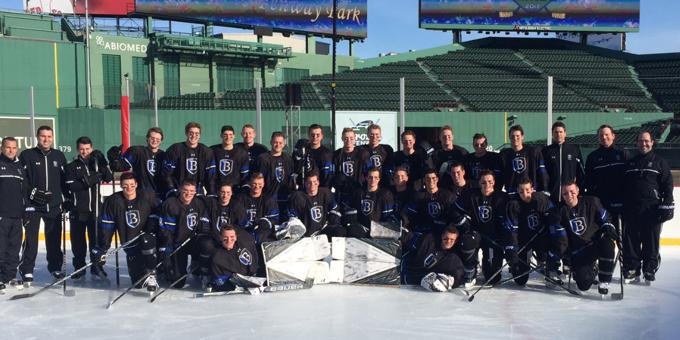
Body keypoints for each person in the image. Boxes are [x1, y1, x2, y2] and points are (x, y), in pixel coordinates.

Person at [622, 131, 674, 284]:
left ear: (652, 142)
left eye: (646, 141)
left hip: (652, 210)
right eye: (640, 141)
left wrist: (667, 205)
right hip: (632, 209)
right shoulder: (631, 163)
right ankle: (633, 269)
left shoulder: (660, 162)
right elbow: (623, 187)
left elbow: (667, 186)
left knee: (650, 241)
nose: (643, 144)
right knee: (631, 241)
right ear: (636, 143)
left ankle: (649, 269)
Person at [18, 126, 68, 284]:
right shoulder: (27, 155)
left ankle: (55, 267)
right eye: (43, 136)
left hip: (53, 205)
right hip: (33, 206)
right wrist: (32, 193)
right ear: (37, 137)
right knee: (31, 240)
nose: (46, 139)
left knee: (54, 239)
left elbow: (64, 180)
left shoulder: (59, 156)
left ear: (53, 138)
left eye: (49, 136)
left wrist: (66, 199)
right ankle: (27, 270)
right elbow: (22, 179)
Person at [94, 173, 159, 290]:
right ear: (121, 186)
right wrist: (103, 248)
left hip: (147, 241)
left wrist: (151, 227)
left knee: (146, 241)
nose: (129, 188)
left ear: (136, 185)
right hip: (130, 245)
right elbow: (107, 227)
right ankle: (143, 273)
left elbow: (158, 213)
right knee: (137, 284)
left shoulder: (146, 196)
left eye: (132, 185)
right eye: (125, 186)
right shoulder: (113, 201)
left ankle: (152, 274)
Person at [554, 181, 617, 294]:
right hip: (578, 253)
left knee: (608, 243)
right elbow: (561, 240)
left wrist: (608, 227)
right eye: (565, 193)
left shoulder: (592, 202)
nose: (569, 196)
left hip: (594, 245)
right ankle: (593, 269)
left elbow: (606, 218)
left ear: (578, 190)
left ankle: (604, 282)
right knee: (583, 286)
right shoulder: (560, 212)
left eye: (572, 192)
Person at [64, 136, 113, 279]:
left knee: (96, 241)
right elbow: (71, 186)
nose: (85, 152)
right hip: (78, 210)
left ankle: (96, 267)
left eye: (87, 149)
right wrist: (89, 180)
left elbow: (109, 178)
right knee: (78, 242)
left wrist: (103, 163)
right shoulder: (71, 166)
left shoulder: (96, 164)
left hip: (95, 210)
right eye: (82, 149)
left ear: (91, 148)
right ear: (77, 150)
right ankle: (79, 267)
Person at [452, 170, 509, 286]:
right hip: (476, 234)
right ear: (479, 183)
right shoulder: (471, 194)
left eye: (490, 182)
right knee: (467, 241)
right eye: (483, 182)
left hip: (493, 238)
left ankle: (488, 268)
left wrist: (504, 239)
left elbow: (509, 219)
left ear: (494, 182)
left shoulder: (502, 197)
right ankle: (470, 269)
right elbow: (455, 210)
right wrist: (463, 223)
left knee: (492, 279)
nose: (487, 185)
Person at [505, 178, 559, 286]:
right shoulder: (513, 205)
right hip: (523, 241)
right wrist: (513, 250)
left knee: (551, 242)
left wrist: (549, 218)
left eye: (527, 190)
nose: (525, 194)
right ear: (517, 191)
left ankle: (550, 268)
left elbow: (554, 217)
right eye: (521, 191)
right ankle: (520, 265)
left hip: (540, 237)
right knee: (520, 280)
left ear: (532, 189)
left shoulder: (541, 199)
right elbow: (512, 231)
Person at [158, 180, 210, 287]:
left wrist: (201, 233)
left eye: (191, 191)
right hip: (177, 245)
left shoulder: (199, 203)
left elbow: (204, 226)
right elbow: (167, 232)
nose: (188, 193)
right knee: (178, 283)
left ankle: (201, 268)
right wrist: (168, 251)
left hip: (193, 242)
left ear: (195, 191)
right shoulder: (171, 204)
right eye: (185, 190)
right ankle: (167, 270)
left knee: (207, 244)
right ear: (180, 190)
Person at [198, 183, 247, 288]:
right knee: (206, 245)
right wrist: (218, 238)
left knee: (244, 242)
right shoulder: (212, 204)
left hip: (229, 239)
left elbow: (242, 226)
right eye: (223, 192)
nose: (225, 195)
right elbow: (205, 226)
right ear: (218, 193)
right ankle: (205, 274)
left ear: (231, 193)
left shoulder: (236, 206)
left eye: (228, 193)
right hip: (214, 238)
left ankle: (239, 272)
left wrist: (231, 238)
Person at [585, 125, 629, 238]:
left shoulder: (623, 154)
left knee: (624, 236)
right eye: (601, 135)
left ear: (613, 136)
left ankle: (623, 255)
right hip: (602, 204)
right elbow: (589, 181)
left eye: (607, 134)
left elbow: (630, 178)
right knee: (604, 237)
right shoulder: (592, 157)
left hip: (622, 203)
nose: (604, 137)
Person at [0, 137, 27, 291]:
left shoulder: (19, 167)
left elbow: (24, 191)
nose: (11, 150)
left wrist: (26, 211)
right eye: (8, 147)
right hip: (2, 215)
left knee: (14, 248)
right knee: (0, 248)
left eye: (14, 147)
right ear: (2, 148)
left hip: (17, 215)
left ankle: (10, 276)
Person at [404, 224, 465, 292]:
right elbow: (407, 238)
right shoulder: (428, 241)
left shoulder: (453, 259)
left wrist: (448, 281)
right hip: (407, 281)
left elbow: (459, 275)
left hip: (425, 290)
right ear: (442, 236)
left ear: (455, 241)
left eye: (452, 240)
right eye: (446, 238)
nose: (448, 241)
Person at [161, 122, 216, 197]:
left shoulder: (206, 152)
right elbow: (166, 173)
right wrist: (172, 189)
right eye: (191, 133)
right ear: (186, 133)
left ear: (199, 135)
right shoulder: (175, 149)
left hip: (198, 193)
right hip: (179, 192)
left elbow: (211, 176)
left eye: (197, 133)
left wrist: (211, 193)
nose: (194, 136)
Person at [107, 127, 165, 195]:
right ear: (147, 138)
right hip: (141, 196)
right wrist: (114, 159)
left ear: (161, 141)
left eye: (157, 139)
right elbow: (119, 167)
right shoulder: (137, 152)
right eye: (152, 138)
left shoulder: (164, 155)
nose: (155, 140)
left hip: (159, 196)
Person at [253, 132, 295, 220]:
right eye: (275, 142)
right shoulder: (263, 159)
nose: (278, 145)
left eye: (280, 143)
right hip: (268, 198)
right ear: (271, 142)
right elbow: (258, 179)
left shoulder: (288, 159)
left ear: (284, 144)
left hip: (284, 198)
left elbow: (290, 178)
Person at [287, 171, 341, 237]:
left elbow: (335, 209)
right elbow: (292, 217)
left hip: (323, 230)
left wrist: (333, 218)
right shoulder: (298, 197)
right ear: (305, 184)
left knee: (340, 231)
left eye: (315, 182)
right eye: (309, 183)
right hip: (306, 235)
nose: (312, 185)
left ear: (318, 182)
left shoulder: (325, 193)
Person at [542, 122, 585, 204]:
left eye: (561, 132)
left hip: (570, 196)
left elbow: (580, 172)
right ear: (552, 134)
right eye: (556, 132)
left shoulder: (574, 150)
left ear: (565, 133)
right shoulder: (546, 151)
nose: (558, 134)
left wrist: (581, 191)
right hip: (552, 196)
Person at [405, 169, 457, 236]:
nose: (431, 181)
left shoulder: (448, 195)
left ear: (437, 179)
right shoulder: (418, 196)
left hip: (443, 232)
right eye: (428, 178)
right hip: (424, 232)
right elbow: (407, 212)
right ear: (424, 180)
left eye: (433, 178)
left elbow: (454, 215)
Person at [500, 125, 549, 196]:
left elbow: (542, 172)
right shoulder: (504, 154)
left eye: (517, 136)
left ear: (522, 136)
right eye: (512, 136)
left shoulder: (533, 152)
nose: (515, 138)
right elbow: (501, 176)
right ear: (509, 137)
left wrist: (545, 188)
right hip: (512, 193)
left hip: (530, 193)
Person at [209, 225, 260, 292]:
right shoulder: (217, 257)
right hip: (233, 282)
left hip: (253, 277)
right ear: (220, 238)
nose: (229, 241)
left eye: (232, 237)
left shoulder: (245, 242)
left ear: (236, 237)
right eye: (225, 238)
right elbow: (219, 281)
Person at [348, 168, 396, 238]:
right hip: (360, 229)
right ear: (366, 178)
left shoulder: (385, 194)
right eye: (370, 177)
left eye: (376, 178)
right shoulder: (359, 193)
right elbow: (351, 209)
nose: (373, 180)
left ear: (379, 179)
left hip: (378, 230)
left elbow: (388, 217)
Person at [234, 173, 279, 244]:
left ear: (263, 184)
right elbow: (236, 217)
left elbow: (274, 219)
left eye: (259, 184)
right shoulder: (240, 199)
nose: (257, 186)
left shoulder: (269, 200)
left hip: (262, 233)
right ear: (249, 183)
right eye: (254, 184)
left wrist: (265, 223)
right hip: (244, 232)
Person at [332, 127, 369, 206]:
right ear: (342, 138)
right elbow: (332, 174)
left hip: (359, 191)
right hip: (342, 193)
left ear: (355, 139)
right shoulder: (337, 155)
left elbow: (368, 173)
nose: (349, 141)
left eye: (351, 138)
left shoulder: (362, 154)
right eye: (346, 138)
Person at [210, 125, 250, 194]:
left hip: (235, 191)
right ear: (221, 136)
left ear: (234, 136)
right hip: (218, 191)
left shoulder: (242, 153)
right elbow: (210, 174)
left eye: (230, 135)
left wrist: (244, 190)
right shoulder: (213, 151)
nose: (228, 137)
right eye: (225, 135)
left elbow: (245, 176)